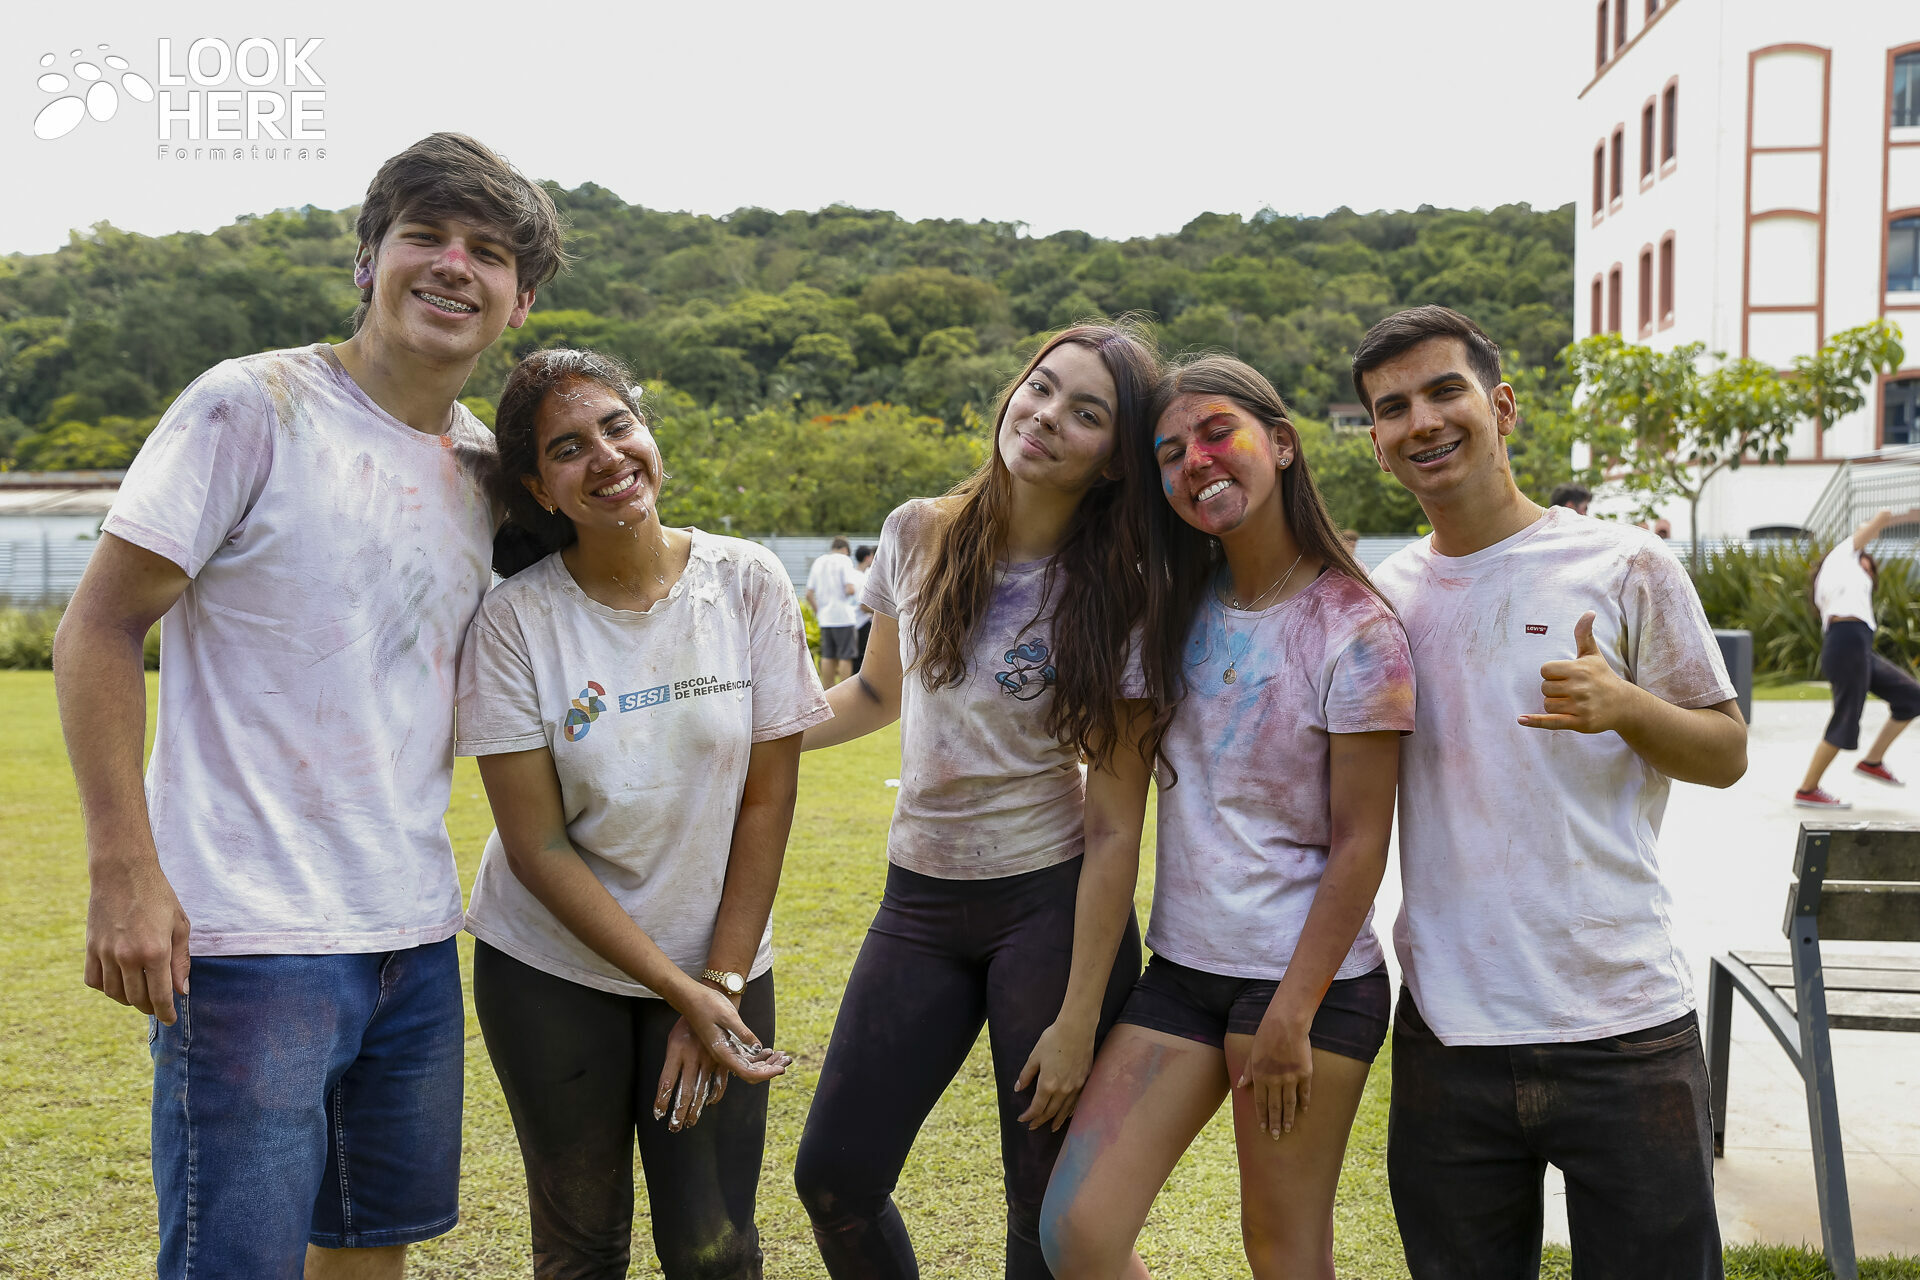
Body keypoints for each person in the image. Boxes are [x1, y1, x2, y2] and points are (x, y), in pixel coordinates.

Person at [51, 133, 563, 1279]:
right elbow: (97, 628)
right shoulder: (251, 405)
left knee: (369, 1250)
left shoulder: (488, 471)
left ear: (519, 299)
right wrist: (124, 868)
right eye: (426, 235)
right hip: (248, 938)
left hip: (413, 933)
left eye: (488, 252)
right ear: (368, 258)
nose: (454, 265)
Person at [1353, 306, 1747, 1279]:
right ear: (1377, 441)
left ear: (1502, 406)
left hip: (1623, 1022)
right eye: (1393, 407)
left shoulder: (1626, 562)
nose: (1422, 420)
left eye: (1444, 390)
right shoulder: (1384, 596)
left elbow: (1727, 752)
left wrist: (1627, 706)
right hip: (1448, 1028)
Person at [791, 322, 1159, 1280]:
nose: (1047, 416)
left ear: (1117, 458)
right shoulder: (918, 531)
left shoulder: (1119, 592)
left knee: (1041, 1213)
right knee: (833, 1179)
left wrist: (1080, 1017)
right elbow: (875, 692)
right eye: (1041, 387)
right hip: (917, 900)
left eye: (1087, 413)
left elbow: (1115, 825)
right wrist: (752, 740)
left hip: (1048, 908)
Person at [1040, 356, 1413, 1279]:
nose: (1195, 462)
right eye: (1170, 454)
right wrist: (1078, 1014)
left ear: (1280, 444)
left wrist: (1292, 1012)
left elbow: (1363, 844)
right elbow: (1111, 822)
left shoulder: (1358, 628)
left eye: (1216, 433)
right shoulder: (1162, 616)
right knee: (1077, 1232)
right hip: (1183, 972)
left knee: (1282, 1252)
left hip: (1307, 986)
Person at [458, 347, 827, 1278]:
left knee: (715, 1247)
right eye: (568, 448)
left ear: (648, 432)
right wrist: (679, 992)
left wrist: (719, 988)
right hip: (552, 970)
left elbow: (767, 797)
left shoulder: (747, 581)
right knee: (581, 1247)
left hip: (719, 960)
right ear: (538, 488)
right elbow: (538, 846)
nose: (607, 457)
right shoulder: (514, 622)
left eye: (617, 426)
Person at [1794, 508, 1920, 808]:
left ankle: (1872, 762)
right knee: (1846, 718)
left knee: (1912, 697)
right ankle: (1807, 789)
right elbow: (1880, 518)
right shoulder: (1842, 556)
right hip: (1847, 642)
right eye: (1868, 564)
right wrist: (1907, 516)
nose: (1870, 571)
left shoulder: (1844, 576)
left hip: (1858, 645)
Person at [808, 536, 860, 686]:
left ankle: (828, 691)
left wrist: (819, 612)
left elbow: (809, 593)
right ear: (845, 549)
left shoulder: (819, 562)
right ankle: (844, 690)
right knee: (845, 656)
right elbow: (850, 589)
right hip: (843, 616)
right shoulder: (845, 560)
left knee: (827, 655)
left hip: (825, 618)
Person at [851, 543, 876, 673]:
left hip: (851, 621)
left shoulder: (852, 574)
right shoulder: (864, 577)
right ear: (867, 558)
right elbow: (863, 606)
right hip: (862, 622)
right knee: (861, 659)